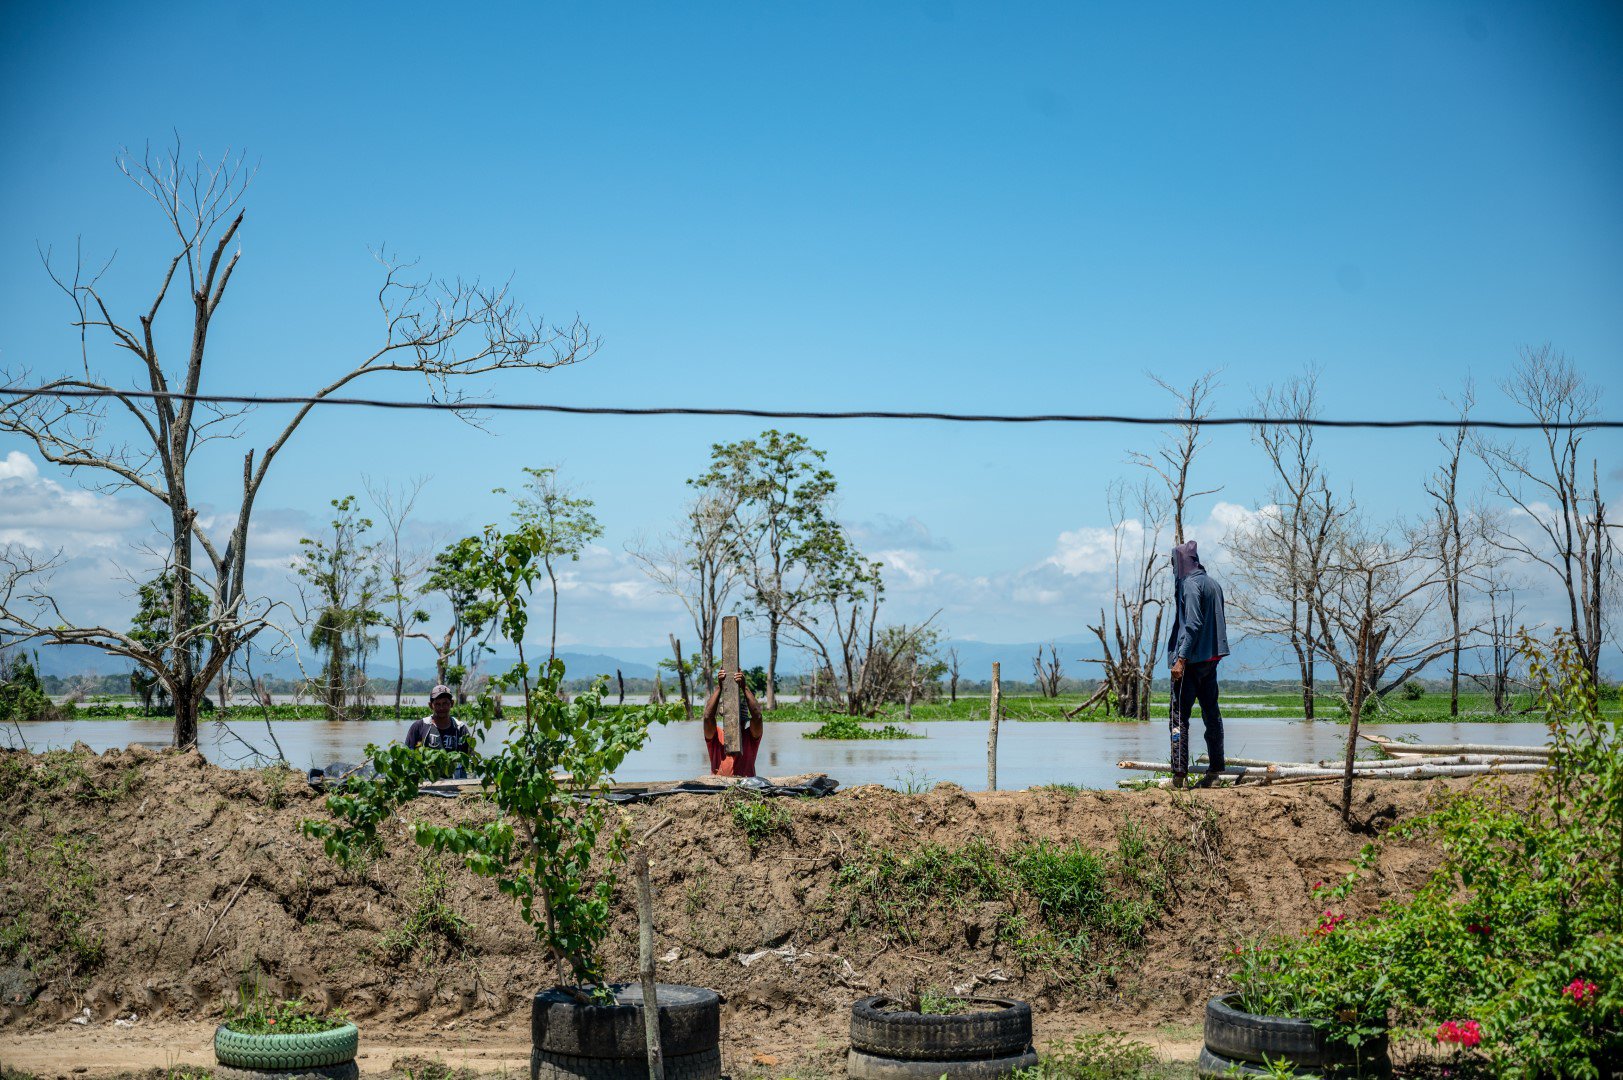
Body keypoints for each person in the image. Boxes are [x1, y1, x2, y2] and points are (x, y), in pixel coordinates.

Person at [1166, 539, 1230, 788]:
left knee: (1178, 715)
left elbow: (1192, 625)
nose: (1173, 568)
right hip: (1210, 661)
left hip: (1191, 662)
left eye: (1174, 562)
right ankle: (1215, 772)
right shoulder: (1213, 584)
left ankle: (1179, 775)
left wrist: (1180, 659)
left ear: (1181, 562)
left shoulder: (1191, 585)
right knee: (1211, 714)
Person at [702, 667, 764, 777]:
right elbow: (707, 717)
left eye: (738, 723)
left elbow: (758, 717)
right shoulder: (716, 736)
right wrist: (719, 687)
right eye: (731, 723)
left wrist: (744, 687)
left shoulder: (750, 737)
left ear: (744, 723)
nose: (734, 726)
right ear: (725, 722)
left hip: (746, 785)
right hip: (718, 786)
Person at [405, 684, 475, 755]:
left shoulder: (460, 728)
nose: (441, 708)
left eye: (445, 703)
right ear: (430, 705)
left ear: (452, 703)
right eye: (437, 704)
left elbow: (471, 758)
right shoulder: (419, 727)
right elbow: (409, 755)